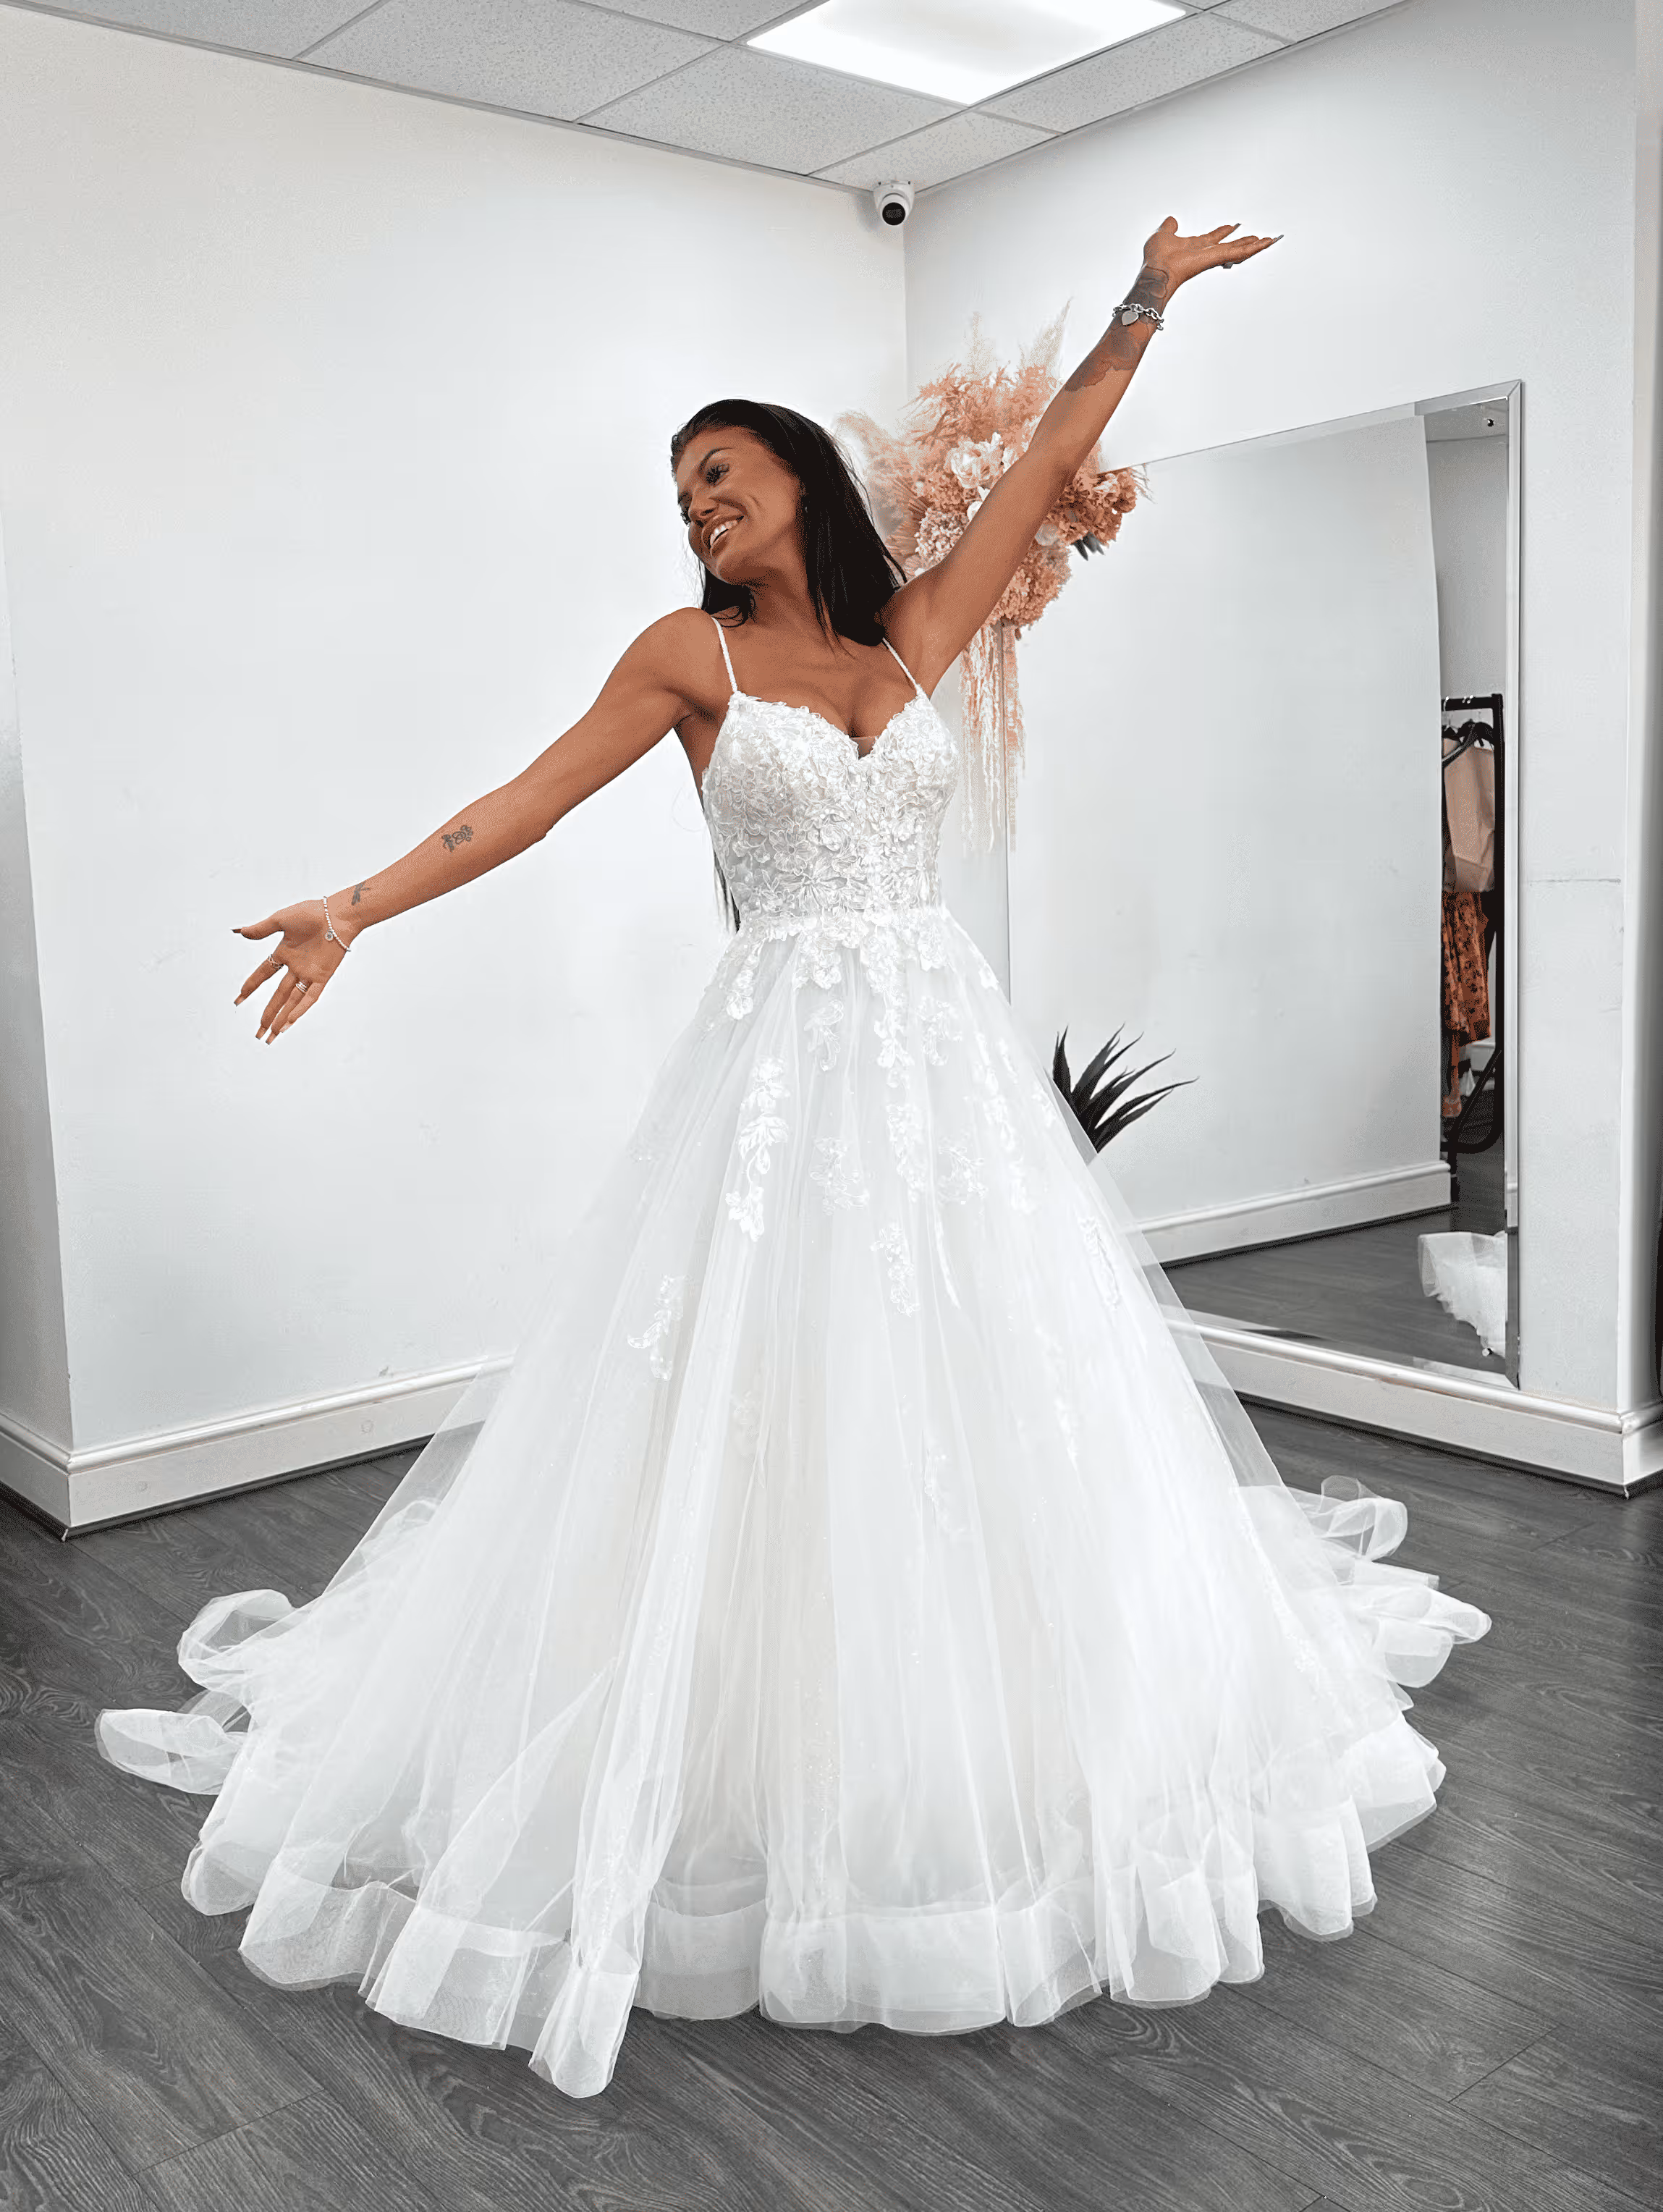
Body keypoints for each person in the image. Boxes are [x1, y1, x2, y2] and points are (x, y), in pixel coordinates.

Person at [97, 220, 1488, 2101]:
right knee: (769, 1401)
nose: (694, 510)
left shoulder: (914, 628)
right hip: (777, 1084)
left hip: (945, 1066)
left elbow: (1044, 464)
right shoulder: (688, 658)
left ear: (796, 488)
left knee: (988, 1392)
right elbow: (516, 797)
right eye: (679, 494)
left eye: (719, 478)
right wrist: (357, 903)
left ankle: (994, 1736)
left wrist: (1147, 305)